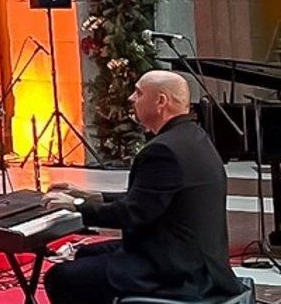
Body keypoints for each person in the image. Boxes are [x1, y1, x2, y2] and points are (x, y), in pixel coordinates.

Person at [43, 71, 244, 304]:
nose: (130, 98)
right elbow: (150, 198)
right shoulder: (193, 137)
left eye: (138, 92)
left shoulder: (163, 150)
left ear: (161, 101)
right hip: (191, 257)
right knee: (86, 253)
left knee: (62, 277)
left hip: (175, 271)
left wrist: (77, 206)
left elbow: (133, 213)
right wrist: (93, 195)